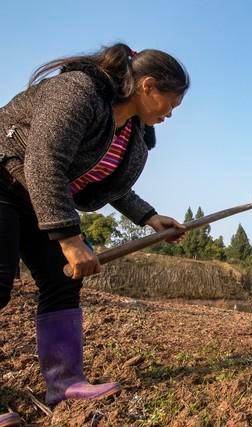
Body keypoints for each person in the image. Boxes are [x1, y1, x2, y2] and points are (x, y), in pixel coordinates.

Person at [0, 43, 189, 411]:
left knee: (62, 283)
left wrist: (148, 216)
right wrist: (69, 239)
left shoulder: (131, 132)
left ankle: (65, 384)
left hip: (37, 193)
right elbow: (44, 159)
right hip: (3, 178)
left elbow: (108, 183)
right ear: (148, 86)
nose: (170, 113)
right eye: (171, 103)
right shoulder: (78, 92)